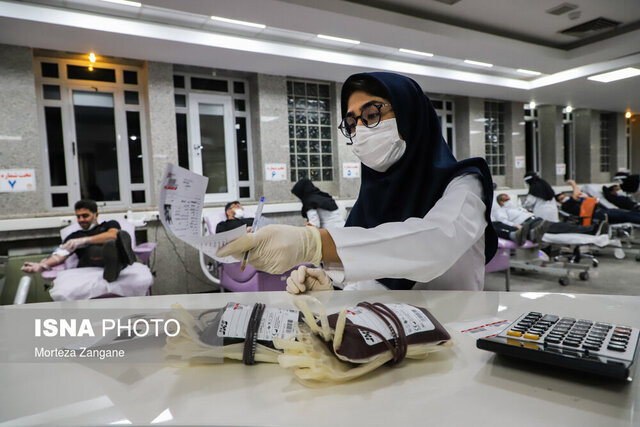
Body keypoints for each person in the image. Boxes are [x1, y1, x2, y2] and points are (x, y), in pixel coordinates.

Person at [217, 72, 497, 293]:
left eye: (372, 115)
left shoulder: (465, 185)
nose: (360, 131)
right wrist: (334, 286)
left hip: (455, 344)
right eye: (352, 123)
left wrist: (313, 243)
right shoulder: (374, 198)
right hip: (387, 343)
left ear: (411, 116)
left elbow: (435, 244)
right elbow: (374, 274)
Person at [21, 199, 136, 282]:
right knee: (97, 249)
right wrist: (41, 265)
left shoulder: (109, 224)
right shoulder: (74, 236)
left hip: (112, 251)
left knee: (116, 239)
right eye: (78, 216)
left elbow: (113, 234)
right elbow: (61, 254)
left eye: (85, 216)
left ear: (96, 215)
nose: (81, 220)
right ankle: (117, 263)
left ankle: (117, 259)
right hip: (90, 260)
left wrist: (85, 240)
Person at [492, 193, 603, 245]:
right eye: (505, 199)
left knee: (560, 226)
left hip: (535, 219)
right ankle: (591, 229)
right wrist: (515, 226)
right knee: (559, 227)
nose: (508, 200)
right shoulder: (502, 210)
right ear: (500, 202)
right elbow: (503, 221)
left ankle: (591, 229)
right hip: (527, 224)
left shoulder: (517, 208)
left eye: (508, 198)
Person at [556, 180, 640, 225]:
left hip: (601, 211)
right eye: (561, 198)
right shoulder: (566, 205)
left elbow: (579, 195)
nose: (564, 198)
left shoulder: (576, 201)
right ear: (559, 201)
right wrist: (573, 184)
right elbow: (576, 194)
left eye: (564, 196)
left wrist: (587, 198)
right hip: (596, 215)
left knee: (628, 213)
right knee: (626, 215)